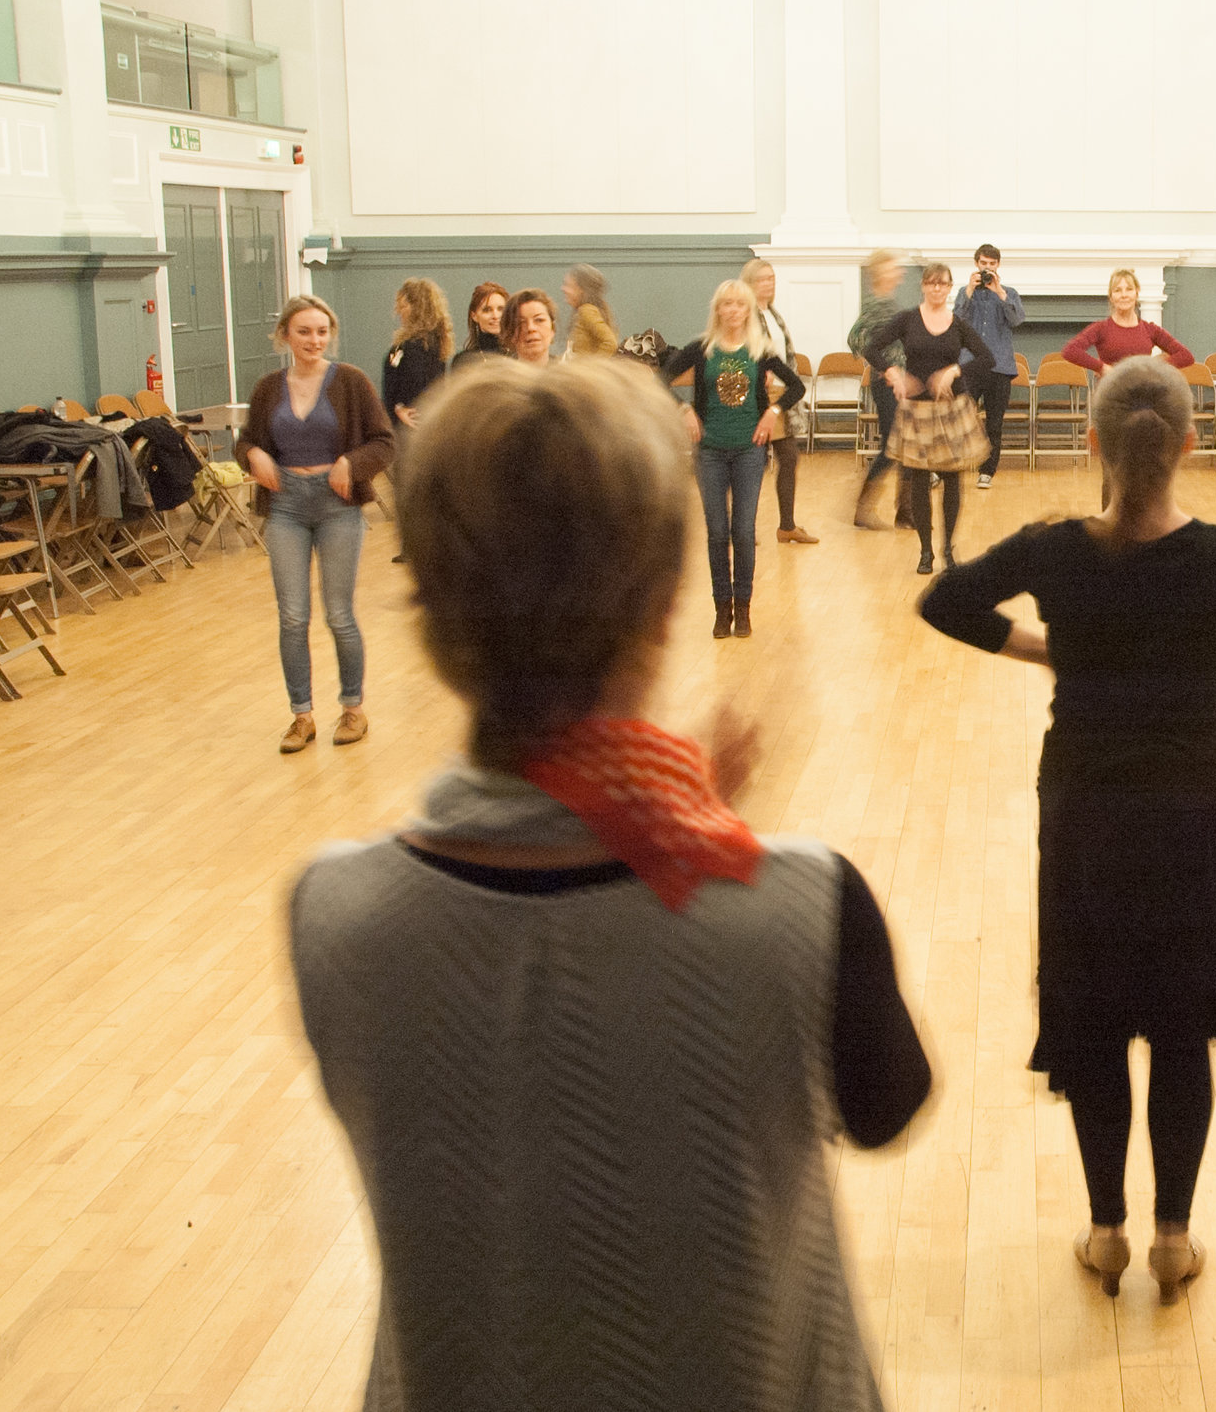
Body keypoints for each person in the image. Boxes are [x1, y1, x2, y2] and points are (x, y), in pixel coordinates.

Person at [290, 355, 931, 1412]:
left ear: (426, 599)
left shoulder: (334, 912)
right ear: (668, 598)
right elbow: (883, 1110)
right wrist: (693, 828)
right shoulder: (807, 904)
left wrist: (654, 821)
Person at [919, 359, 1216, 1306]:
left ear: (1093, 443)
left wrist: (1048, 648)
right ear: (1191, 443)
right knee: (1182, 1029)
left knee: (1101, 1020)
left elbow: (944, 602)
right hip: (1197, 804)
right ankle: (1173, 1238)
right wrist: (1214, 672)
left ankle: (1106, 1230)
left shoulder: (1054, 549)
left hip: (1086, 809)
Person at [235, 296, 397, 754]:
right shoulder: (269, 387)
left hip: (337, 505)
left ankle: (352, 708)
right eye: (304, 331)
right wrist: (253, 453)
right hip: (286, 504)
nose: (314, 340)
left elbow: (385, 443)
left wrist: (351, 461)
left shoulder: (350, 381)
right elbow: (247, 439)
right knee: (292, 616)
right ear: (285, 334)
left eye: (322, 331)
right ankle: (301, 715)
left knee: (339, 613)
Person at [658, 280, 807, 641]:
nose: (732, 311)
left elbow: (797, 387)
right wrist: (684, 409)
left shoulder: (760, 350)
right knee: (716, 532)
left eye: (739, 305)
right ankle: (720, 609)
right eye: (726, 305)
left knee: (742, 531)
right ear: (718, 310)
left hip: (748, 451)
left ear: (747, 311)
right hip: (709, 450)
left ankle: (743, 608)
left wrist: (772, 411)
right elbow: (660, 379)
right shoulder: (701, 348)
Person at [860, 263, 991, 575]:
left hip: (950, 409)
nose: (936, 289)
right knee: (919, 480)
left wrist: (955, 370)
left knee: (951, 480)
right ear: (923, 286)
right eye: (931, 283)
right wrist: (893, 372)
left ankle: (948, 550)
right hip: (917, 409)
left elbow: (988, 358)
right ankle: (926, 551)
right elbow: (871, 348)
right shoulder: (907, 319)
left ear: (949, 288)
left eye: (942, 284)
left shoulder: (958, 325)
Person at [741, 257, 818, 545]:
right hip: (757, 397)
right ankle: (743, 527)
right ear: (749, 283)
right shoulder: (745, 313)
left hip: (781, 396)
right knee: (753, 462)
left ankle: (787, 526)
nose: (769, 283)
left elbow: (782, 354)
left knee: (789, 458)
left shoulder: (772, 313)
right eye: (762, 278)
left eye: (771, 278)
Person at [380, 277, 452, 565]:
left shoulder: (416, 346)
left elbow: (411, 384)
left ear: (415, 305)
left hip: (412, 425)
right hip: (421, 421)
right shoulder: (432, 342)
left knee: (410, 486)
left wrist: (398, 408)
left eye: (403, 303)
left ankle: (415, 545)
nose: (399, 309)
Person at [848, 250, 914, 532]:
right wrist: (885, 367)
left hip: (897, 383)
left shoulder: (886, 303)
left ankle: (906, 512)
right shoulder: (877, 305)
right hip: (886, 384)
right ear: (880, 273)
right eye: (893, 268)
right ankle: (864, 508)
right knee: (892, 444)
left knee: (905, 443)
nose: (898, 273)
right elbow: (855, 339)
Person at [954, 243, 1026, 488]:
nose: (987, 268)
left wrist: (1000, 293)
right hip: (970, 365)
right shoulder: (966, 293)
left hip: (999, 367)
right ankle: (946, 469)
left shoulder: (1009, 293)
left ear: (998, 266)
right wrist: (969, 292)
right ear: (976, 264)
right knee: (960, 420)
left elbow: (1017, 320)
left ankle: (987, 471)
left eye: (992, 264)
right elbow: (956, 321)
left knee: (994, 424)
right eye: (983, 263)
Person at [1060, 270, 1195, 373]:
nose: (1124, 295)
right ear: (1111, 297)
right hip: (1110, 396)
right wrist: (1102, 368)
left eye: (1129, 289)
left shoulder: (1151, 330)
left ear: (1136, 293)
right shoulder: (1100, 328)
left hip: (1142, 395)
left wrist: (1153, 366)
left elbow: (1186, 356)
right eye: (1118, 290)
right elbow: (1070, 351)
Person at [561, 262, 621, 360]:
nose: (563, 289)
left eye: (568, 285)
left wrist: (591, 367)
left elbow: (610, 343)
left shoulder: (587, 311)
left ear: (581, 289)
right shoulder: (583, 312)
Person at [448, 281, 509, 375]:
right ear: (474, 316)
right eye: (487, 310)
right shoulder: (464, 361)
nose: (495, 316)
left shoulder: (520, 356)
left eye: (501, 309)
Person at [502, 288, 558, 365]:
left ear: (553, 328)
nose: (531, 328)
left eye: (539, 320)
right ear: (509, 332)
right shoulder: (498, 376)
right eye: (521, 323)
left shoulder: (570, 375)